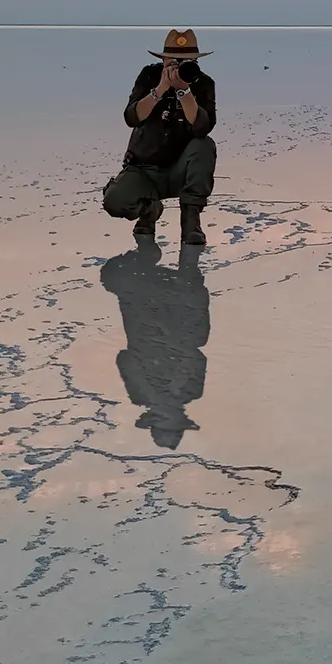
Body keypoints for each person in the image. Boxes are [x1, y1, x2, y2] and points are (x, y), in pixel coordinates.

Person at [102, 29, 217, 246]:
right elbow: (132, 117)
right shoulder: (149, 76)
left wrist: (184, 92)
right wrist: (160, 89)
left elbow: (202, 128)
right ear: (163, 59)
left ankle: (191, 221)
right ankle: (149, 209)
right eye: (173, 61)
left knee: (204, 145)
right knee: (114, 201)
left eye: (186, 62)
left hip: (180, 170)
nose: (178, 68)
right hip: (144, 168)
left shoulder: (202, 83)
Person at [100, 240, 210, 449]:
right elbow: (197, 356)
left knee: (114, 277)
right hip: (182, 317)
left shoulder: (140, 394)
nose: (172, 413)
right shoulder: (192, 390)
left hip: (143, 317)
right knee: (188, 292)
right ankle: (187, 245)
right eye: (174, 418)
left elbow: (125, 358)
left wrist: (150, 390)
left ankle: (147, 250)